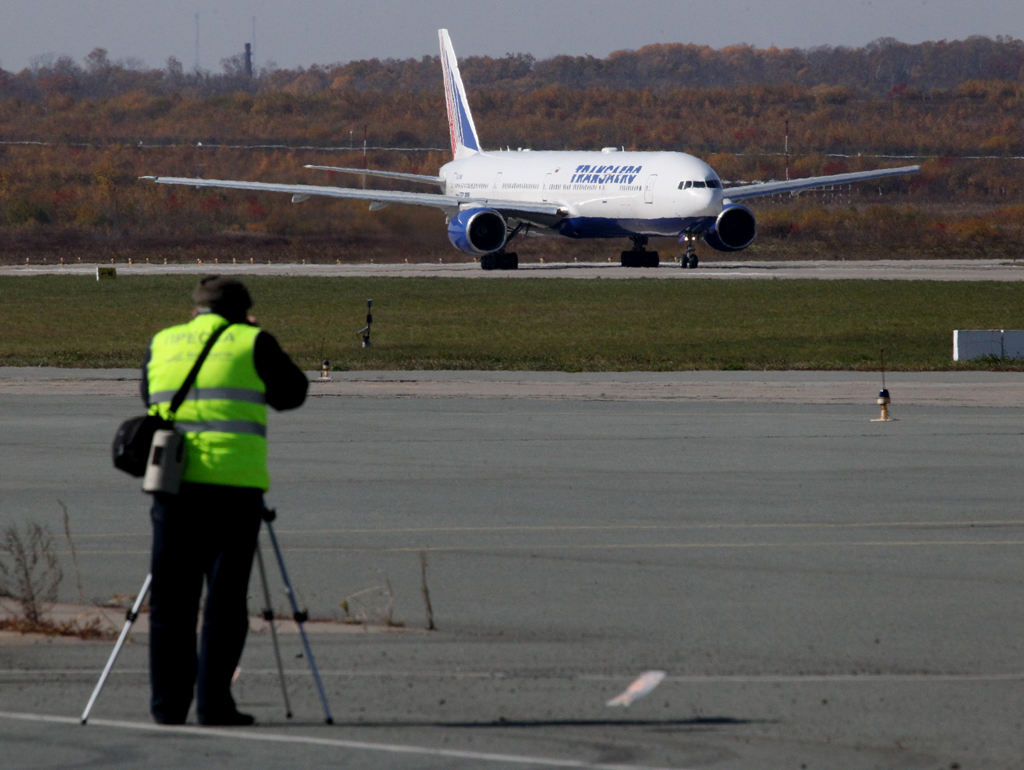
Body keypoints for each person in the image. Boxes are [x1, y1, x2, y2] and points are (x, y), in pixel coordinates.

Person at [140, 276, 308, 726]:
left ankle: (167, 706)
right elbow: (293, 394)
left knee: (172, 603)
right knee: (224, 605)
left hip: (173, 488)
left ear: (196, 308)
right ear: (243, 310)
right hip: (234, 490)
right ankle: (214, 704)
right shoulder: (251, 341)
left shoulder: (163, 341)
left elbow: (147, 396)